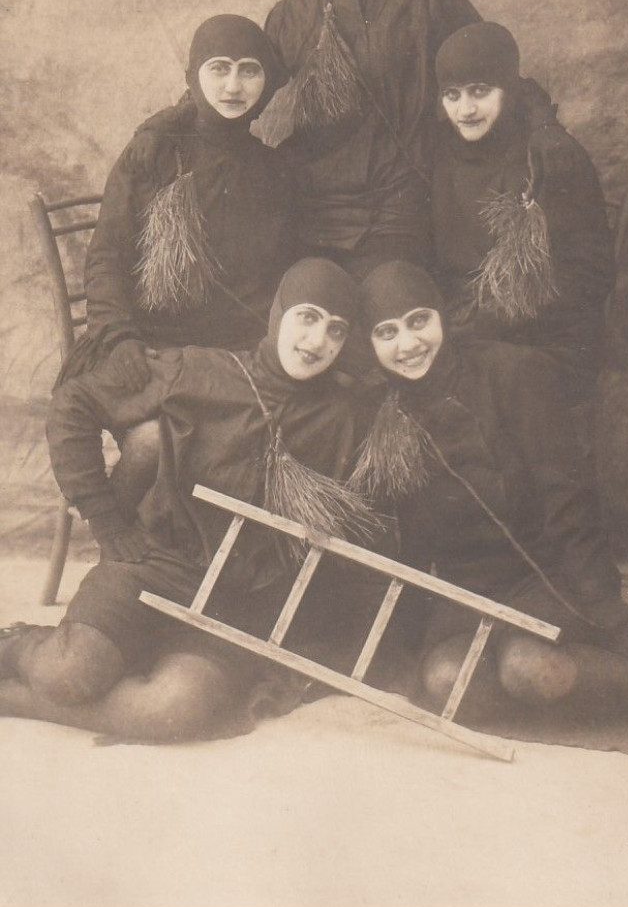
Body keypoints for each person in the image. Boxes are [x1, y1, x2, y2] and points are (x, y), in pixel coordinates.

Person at [134, 0, 574, 281]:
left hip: (403, 204)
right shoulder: (292, 15)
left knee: (378, 307)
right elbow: (238, 91)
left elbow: (490, 71)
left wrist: (544, 125)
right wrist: (167, 122)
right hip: (309, 208)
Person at [0, 260, 377, 743]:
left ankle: (13, 699)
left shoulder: (343, 417)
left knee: (176, 709)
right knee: (66, 672)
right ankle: (19, 647)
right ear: (278, 313)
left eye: (336, 329)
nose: (317, 340)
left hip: (236, 599)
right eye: (307, 316)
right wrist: (107, 520)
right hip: (156, 561)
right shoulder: (198, 371)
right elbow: (74, 405)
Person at [353, 260, 628, 723]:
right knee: (444, 683)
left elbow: (568, 502)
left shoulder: (511, 373)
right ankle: (575, 694)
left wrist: (604, 606)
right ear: (370, 345)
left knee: (531, 669)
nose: (409, 344)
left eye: (419, 321)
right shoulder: (382, 419)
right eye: (387, 332)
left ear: (442, 316)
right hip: (467, 594)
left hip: (543, 576)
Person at [75, 13, 293, 395]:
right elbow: (107, 257)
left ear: (267, 82)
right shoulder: (154, 152)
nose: (233, 86)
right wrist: (120, 338)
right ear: (194, 76)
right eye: (219, 69)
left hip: (236, 355)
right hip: (152, 346)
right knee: (147, 445)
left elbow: (281, 274)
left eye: (249, 71)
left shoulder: (272, 169)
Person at [431, 22, 615, 395]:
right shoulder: (442, 157)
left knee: (479, 383)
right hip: (470, 328)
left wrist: (500, 319)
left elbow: (588, 273)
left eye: (480, 91)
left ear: (509, 90)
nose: (465, 109)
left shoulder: (549, 157)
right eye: (452, 95)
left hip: (547, 334)